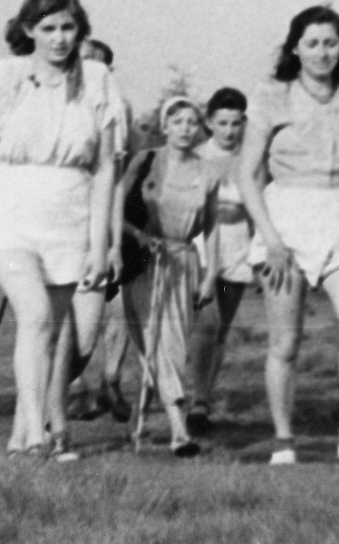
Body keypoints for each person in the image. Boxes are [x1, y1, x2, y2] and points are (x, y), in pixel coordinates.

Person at [0, 0, 124, 460]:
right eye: (48, 28)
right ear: (29, 29)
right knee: (36, 313)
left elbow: (106, 168)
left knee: (57, 332)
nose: (59, 38)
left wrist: (99, 245)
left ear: (79, 30)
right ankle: (38, 434)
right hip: (9, 207)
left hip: (71, 212)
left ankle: (22, 435)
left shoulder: (98, 79)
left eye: (68, 27)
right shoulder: (6, 74)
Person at [237, 6, 339, 466]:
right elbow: (247, 174)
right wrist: (271, 238)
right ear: (295, 49)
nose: (323, 52)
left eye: (331, 42)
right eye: (312, 43)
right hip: (287, 219)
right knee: (285, 342)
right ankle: (284, 440)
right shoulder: (272, 95)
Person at [116, 96, 219, 457]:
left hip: (184, 261)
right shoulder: (146, 160)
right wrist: (138, 235)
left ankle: (141, 418)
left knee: (170, 343)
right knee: (156, 341)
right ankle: (179, 431)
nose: (185, 129)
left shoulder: (208, 171)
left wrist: (210, 274)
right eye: (178, 122)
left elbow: (212, 227)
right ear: (165, 125)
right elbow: (114, 208)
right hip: (145, 260)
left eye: (192, 122)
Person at [64, 38, 133, 423]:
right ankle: (69, 391)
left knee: (113, 313)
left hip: (100, 224)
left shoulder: (118, 110)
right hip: (60, 221)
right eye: (85, 59)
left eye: (100, 63)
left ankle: (110, 381)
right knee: (63, 316)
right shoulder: (56, 102)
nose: (91, 67)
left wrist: (115, 242)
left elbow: (117, 180)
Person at [185, 86, 253, 434]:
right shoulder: (195, 156)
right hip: (202, 244)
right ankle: (195, 401)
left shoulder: (252, 159)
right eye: (222, 123)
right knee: (206, 323)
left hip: (238, 243)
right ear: (209, 122)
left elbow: (258, 208)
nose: (229, 130)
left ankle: (203, 397)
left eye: (236, 123)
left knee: (221, 329)